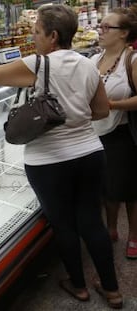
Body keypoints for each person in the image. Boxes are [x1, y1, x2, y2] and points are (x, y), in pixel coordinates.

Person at [0, 4, 123, 309]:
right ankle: (112, 291)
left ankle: (79, 287)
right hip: (89, 153)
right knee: (91, 222)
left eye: (36, 32)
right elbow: (101, 110)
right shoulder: (88, 64)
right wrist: (74, 115)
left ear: (53, 36)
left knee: (64, 224)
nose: (34, 38)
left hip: (49, 161)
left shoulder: (37, 64)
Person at [91, 7, 137, 260]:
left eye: (107, 27)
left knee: (130, 189)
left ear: (124, 33)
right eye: (101, 25)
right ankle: (110, 229)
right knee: (107, 187)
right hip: (96, 134)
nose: (101, 30)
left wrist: (113, 105)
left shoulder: (132, 60)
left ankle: (134, 235)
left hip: (124, 135)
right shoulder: (94, 60)